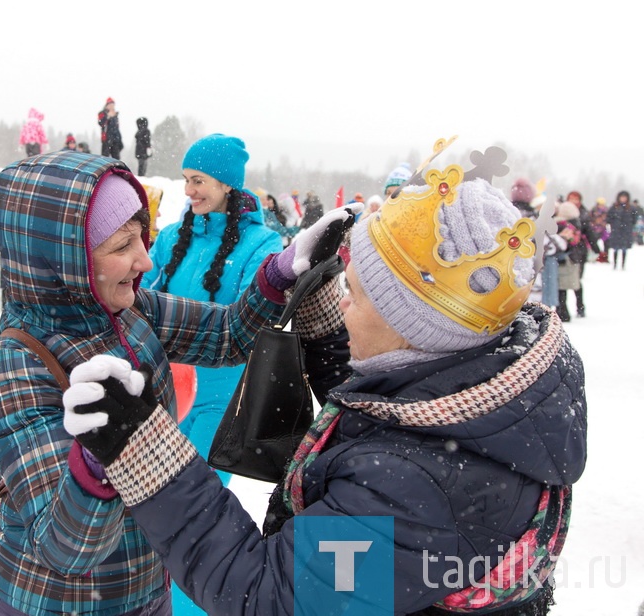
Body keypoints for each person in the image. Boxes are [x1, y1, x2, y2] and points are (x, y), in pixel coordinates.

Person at [62, 146, 587, 616]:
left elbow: (272, 594)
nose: (343, 302)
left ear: (410, 328)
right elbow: (384, 410)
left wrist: (146, 455)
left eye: (353, 295)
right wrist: (315, 303)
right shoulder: (473, 387)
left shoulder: (416, 492)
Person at [0, 149, 350, 615]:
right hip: (56, 604)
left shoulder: (132, 312)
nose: (144, 262)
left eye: (142, 238)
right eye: (121, 246)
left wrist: (277, 274)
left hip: (146, 589)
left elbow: (226, 336)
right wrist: (100, 459)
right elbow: (67, 549)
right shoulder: (13, 363)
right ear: (62, 260)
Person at [142, 133, 282, 488]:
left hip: (221, 397)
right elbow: (141, 297)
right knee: (151, 496)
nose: (189, 190)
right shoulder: (173, 237)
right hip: (165, 389)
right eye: (186, 179)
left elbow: (254, 316)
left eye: (198, 180)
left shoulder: (261, 244)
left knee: (197, 496)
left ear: (226, 184)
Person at [606, 190, 638, 270]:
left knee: (624, 249)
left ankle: (623, 265)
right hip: (616, 231)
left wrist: (629, 225)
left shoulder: (631, 208)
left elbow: (635, 219)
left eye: (625, 197)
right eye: (622, 197)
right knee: (615, 249)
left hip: (626, 231)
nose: (623, 199)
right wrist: (613, 224)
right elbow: (608, 217)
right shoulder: (614, 207)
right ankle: (615, 264)